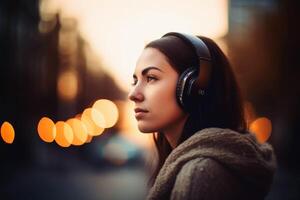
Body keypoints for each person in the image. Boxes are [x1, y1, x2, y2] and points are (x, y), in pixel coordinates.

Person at [128, 32, 276, 200]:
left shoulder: (200, 175)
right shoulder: (204, 167)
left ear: (193, 87)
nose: (133, 94)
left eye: (151, 78)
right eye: (135, 81)